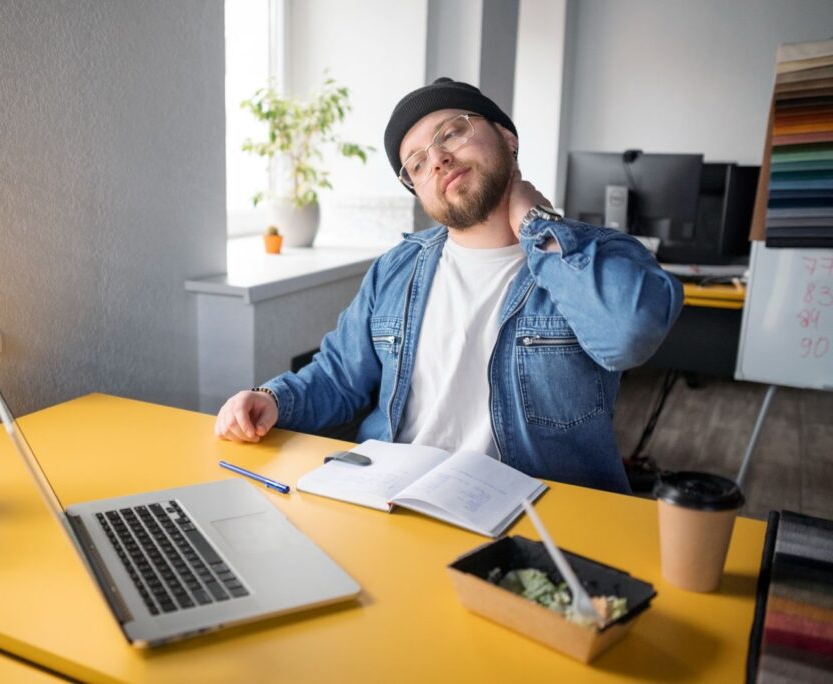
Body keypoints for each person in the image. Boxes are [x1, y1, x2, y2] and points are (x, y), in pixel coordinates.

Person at [215, 77, 683, 494]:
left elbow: (629, 333)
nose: (436, 159)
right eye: (415, 163)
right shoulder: (396, 269)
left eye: (452, 133)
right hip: (392, 498)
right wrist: (271, 398)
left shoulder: (596, 254)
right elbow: (338, 377)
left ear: (506, 137)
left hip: (537, 520)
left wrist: (537, 225)